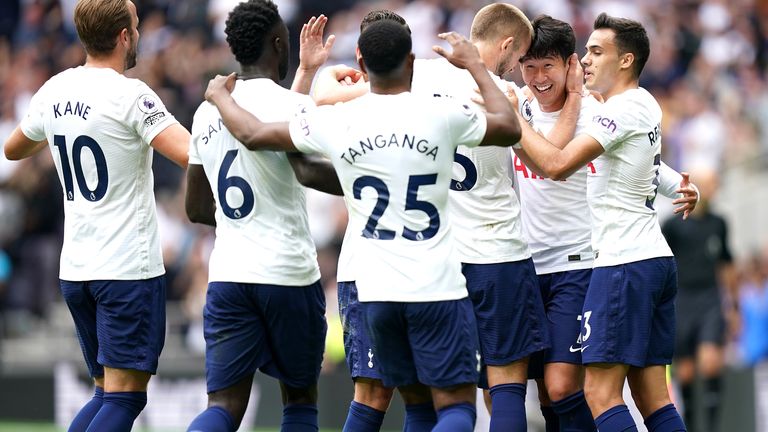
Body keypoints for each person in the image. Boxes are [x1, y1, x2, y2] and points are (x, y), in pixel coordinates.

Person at [205, 19, 523, 431]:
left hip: (376, 292)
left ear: (361, 63)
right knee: (457, 409)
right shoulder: (442, 113)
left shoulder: (340, 120)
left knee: (417, 408)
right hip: (436, 286)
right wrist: (475, 65)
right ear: (411, 61)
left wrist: (218, 97)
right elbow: (509, 126)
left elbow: (252, 133)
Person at [312, 5, 579, 431]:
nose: (517, 69)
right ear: (507, 46)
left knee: (427, 398)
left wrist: (328, 71)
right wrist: (577, 98)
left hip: (441, 265)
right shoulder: (502, 96)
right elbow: (550, 158)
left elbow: (323, 98)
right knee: (505, 385)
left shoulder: (418, 78)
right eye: (519, 58)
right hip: (498, 254)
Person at [3, 0, 190, 431]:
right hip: (125, 268)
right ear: (124, 36)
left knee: (107, 393)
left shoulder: (55, 90)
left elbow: (14, 147)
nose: (139, 34)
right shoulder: (131, 95)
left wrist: (55, 131)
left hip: (77, 270)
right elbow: (189, 153)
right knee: (125, 400)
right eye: (137, 27)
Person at [515, 15, 699, 432]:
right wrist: (682, 187)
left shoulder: (620, 108)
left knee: (599, 394)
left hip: (622, 264)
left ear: (626, 60)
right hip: (651, 259)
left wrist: (513, 123)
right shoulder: (637, 104)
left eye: (597, 51)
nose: (586, 59)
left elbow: (557, 164)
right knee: (653, 398)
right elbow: (639, 159)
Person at [184, 1, 340, 431]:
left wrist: (244, 223)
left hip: (229, 276)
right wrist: (368, 173)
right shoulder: (289, 105)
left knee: (223, 407)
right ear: (277, 42)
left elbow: (196, 209)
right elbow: (307, 167)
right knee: (300, 401)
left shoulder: (206, 111)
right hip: (287, 273)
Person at [662, 167, 734, 432]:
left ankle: (713, 426)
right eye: (710, 183)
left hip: (710, 298)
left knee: (711, 362)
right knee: (688, 371)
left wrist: (733, 306)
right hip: (682, 299)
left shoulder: (719, 223)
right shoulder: (673, 225)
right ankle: (691, 426)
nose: (714, 189)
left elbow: (726, 263)